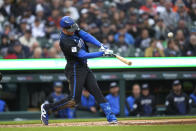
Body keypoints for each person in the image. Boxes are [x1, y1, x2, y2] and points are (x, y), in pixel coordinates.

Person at [41, 16, 117, 125]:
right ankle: (47, 108)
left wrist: (100, 45)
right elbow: (83, 55)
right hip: (75, 69)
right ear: (64, 29)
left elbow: (86, 35)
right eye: (70, 30)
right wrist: (102, 53)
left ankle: (111, 117)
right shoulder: (65, 41)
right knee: (74, 100)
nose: (73, 31)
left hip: (84, 67)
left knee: (96, 91)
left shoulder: (73, 29)